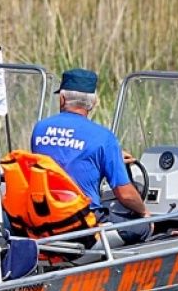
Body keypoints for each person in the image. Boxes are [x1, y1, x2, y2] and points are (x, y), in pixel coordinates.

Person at [28, 68, 151, 244]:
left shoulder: (40, 129)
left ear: (62, 99)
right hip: (83, 222)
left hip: (45, 216)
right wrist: (144, 212)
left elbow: (62, 159)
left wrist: (111, 157)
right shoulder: (103, 137)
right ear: (93, 103)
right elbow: (125, 195)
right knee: (145, 227)